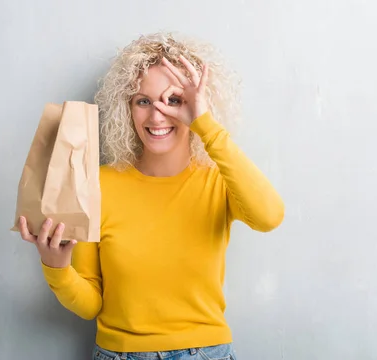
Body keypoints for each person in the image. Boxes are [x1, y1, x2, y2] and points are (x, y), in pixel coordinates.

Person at [17, 32, 285, 360]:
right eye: (143, 101)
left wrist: (206, 126)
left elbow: (269, 216)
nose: (157, 116)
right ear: (127, 107)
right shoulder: (99, 184)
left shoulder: (218, 181)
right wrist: (56, 267)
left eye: (173, 100)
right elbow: (91, 305)